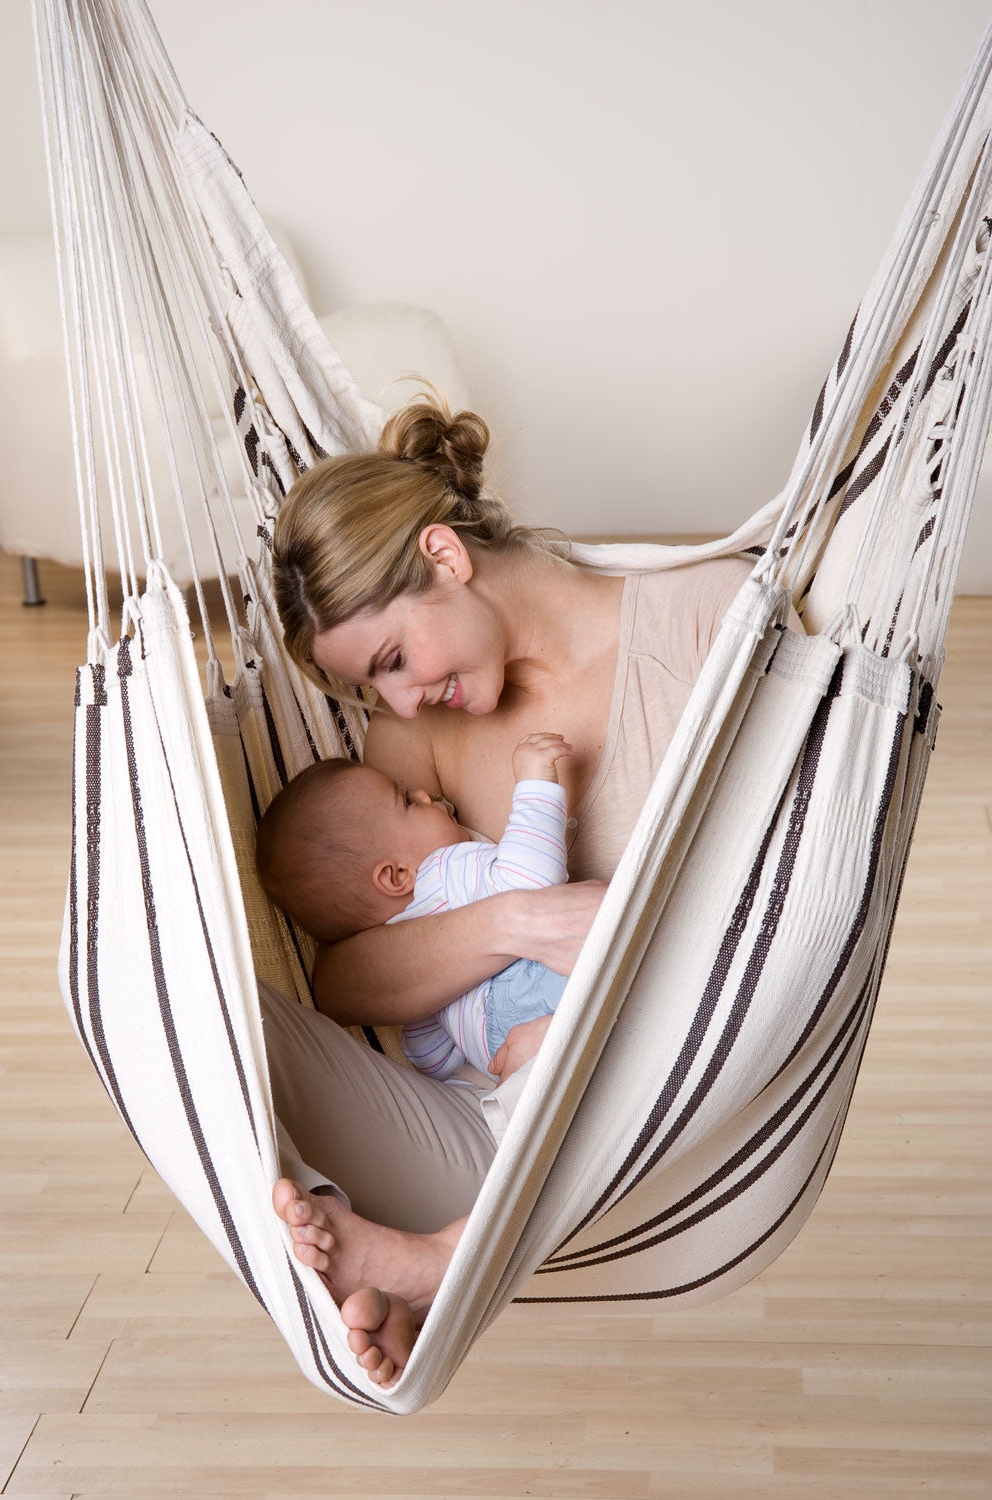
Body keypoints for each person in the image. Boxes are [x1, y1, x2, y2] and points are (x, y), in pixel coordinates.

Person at [262, 392, 772, 1387]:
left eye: (395, 660)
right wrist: (522, 919)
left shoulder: (706, 623)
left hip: (663, 1109)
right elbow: (347, 980)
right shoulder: (413, 746)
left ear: (445, 558)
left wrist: (619, 944)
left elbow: (782, 912)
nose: (400, 703)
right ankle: (355, 1255)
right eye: (375, 693)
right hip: (488, 1116)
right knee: (209, 1014)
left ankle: (437, 1270)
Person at [255, 731, 574, 1083]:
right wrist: (535, 784)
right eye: (407, 801)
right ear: (396, 876)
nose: (424, 794)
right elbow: (533, 883)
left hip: (498, 1050)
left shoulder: (409, 971)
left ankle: (547, 1048)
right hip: (528, 991)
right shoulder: (444, 871)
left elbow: (432, 1058)